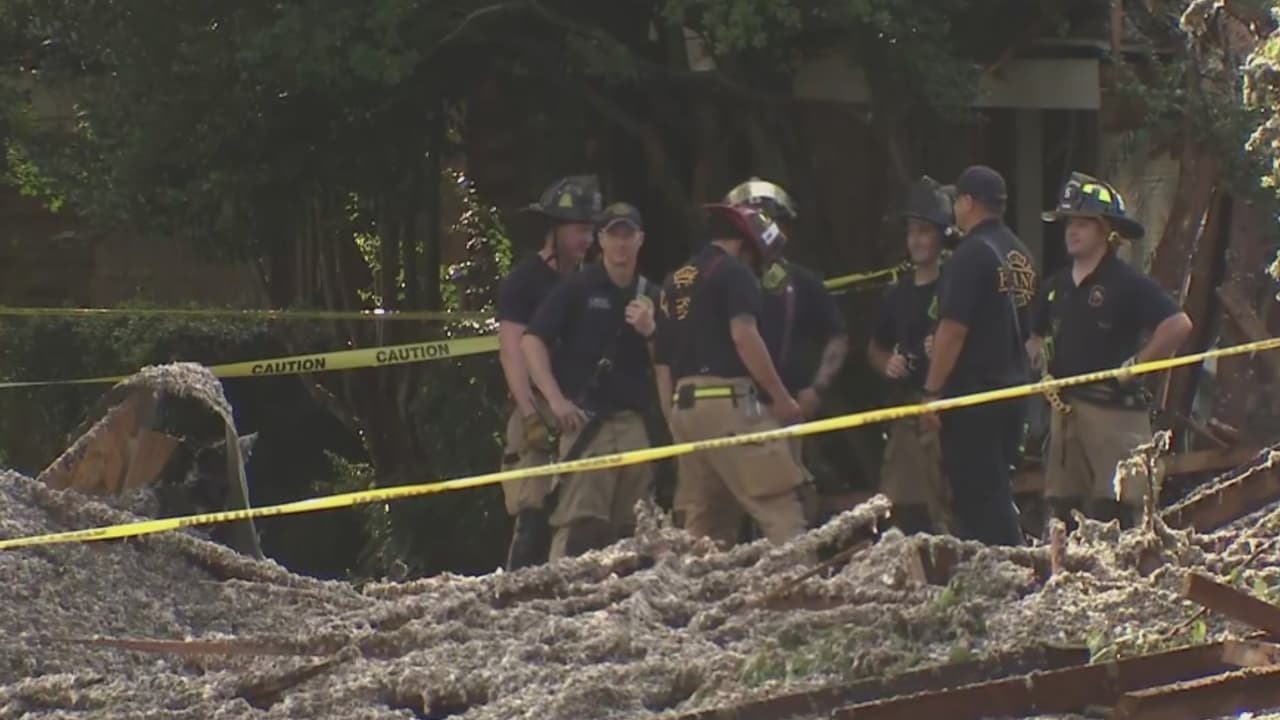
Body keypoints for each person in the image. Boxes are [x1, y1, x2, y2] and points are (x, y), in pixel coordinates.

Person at [1029, 172, 1193, 531]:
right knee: (1063, 512)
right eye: (1070, 223)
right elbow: (1035, 337)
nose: (1072, 230)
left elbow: (1178, 324)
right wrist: (1036, 359)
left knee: (1119, 511)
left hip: (1114, 415)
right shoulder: (1054, 286)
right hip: (1065, 415)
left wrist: (1138, 365)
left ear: (1106, 230)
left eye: (1084, 223)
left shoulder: (1126, 282)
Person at [654, 203, 806, 548]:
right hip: (731, 407)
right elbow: (744, 336)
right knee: (779, 507)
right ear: (744, 246)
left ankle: (697, 597)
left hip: (684, 410)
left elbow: (661, 362)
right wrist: (781, 399)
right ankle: (805, 591)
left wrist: (672, 419)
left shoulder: (674, 282)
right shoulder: (734, 274)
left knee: (706, 523)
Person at [521, 202, 661, 559]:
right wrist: (555, 400)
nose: (621, 244)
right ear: (600, 239)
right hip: (585, 424)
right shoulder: (577, 287)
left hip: (634, 424)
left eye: (627, 235)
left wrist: (650, 332)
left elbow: (668, 362)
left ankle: (627, 605)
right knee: (578, 524)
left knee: (635, 527)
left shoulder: (653, 295)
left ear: (641, 240)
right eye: (613, 234)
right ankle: (560, 609)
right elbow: (531, 340)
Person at [921, 165, 1037, 546]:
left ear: (968, 202)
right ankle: (999, 573)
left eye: (957, 200)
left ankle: (1010, 579)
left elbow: (954, 329)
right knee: (996, 489)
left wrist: (932, 392)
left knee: (979, 499)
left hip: (974, 395)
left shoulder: (969, 254)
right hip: (1012, 390)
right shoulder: (1019, 253)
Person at [724, 178, 849, 523]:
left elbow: (837, 336)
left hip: (785, 415)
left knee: (785, 504)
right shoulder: (719, 278)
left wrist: (816, 389)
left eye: (768, 219)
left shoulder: (802, 282)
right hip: (729, 414)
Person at [496, 175, 600, 569]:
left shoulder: (590, 282)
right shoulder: (525, 281)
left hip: (581, 409)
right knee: (532, 510)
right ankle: (515, 599)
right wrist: (528, 413)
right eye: (578, 230)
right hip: (537, 408)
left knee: (582, 512)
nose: (586, 239)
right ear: (555, 230)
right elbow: (512, 352)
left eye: (590, 231)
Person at [868, 176, 956, 535]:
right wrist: (886, 362)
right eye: (911, 232)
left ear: (941, 235)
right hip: (905, 415)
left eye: (924, 231)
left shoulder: (955, 283)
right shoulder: (896, 294)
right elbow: (874, 347)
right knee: (899, 511)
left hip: (947, 417)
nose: (916, 240)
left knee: (947, 511)